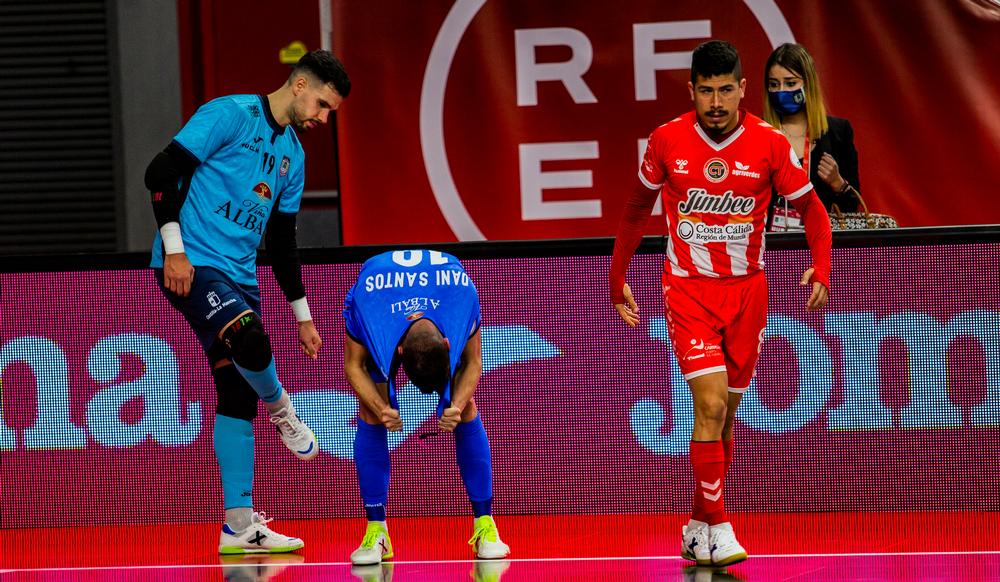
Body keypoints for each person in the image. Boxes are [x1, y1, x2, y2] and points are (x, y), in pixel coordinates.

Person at [609, 40, 832, 566]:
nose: (715, 101)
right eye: (705, 91)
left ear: (741, 90)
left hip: (749, 294)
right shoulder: (666, 139)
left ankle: (694, 525)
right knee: (708, 406)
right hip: (686, 290)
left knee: (723, 421)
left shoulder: (769, 143)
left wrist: (821, 268)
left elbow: (814, 212)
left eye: (724, 90)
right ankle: (721, 527)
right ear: (691, 90)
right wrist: (617, 275)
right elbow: (637, 207)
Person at [146, 50, 351, 553]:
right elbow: (159, 173)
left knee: (237, 395)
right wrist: (174, 250)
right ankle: (283, 410)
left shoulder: (294, 159)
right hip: (191, 264)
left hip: (242, 278)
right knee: (249, 338)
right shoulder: (229, 114)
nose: (324, 119)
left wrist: (303, 316)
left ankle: (238, 527)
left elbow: (282, 244)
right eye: (324, 105)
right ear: (300, 84)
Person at [342, 249, 510, 565]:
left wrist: (456, 406)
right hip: (382, 295)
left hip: (442, 292)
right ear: (399, 352)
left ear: (449, 344)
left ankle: (486, 525)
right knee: (368, 409)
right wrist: (380, 407)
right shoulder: (368, 305)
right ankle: (377, 529)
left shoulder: (462, 295)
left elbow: (474, 361)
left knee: (468, 407)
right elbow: (353, 365)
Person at [762, 42, 862, 230]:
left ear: (808, 85)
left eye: (791, 83)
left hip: (823, 247)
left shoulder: (838, 132)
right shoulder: (757, 135)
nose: (781, 90)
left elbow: (853, 209)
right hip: (770, 250)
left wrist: (838, 183)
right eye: (774, 84)